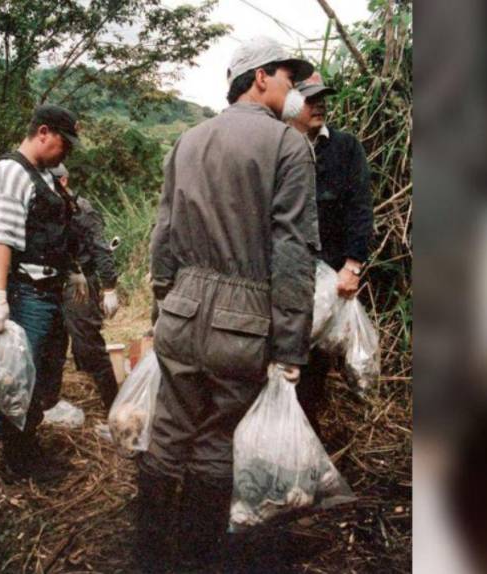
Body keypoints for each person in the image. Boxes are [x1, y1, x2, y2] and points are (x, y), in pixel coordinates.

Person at [138, 36, 318, 571]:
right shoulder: (289, 146)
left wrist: (163, 309)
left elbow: (162, 235)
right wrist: (290, 346)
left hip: (182, 307)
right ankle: (195, 561)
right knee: (218, 444)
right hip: (242, 320)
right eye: (289, 77)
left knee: (167, 434)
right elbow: (292, 253)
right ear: (259, 77)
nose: (295, 89)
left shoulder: (187, 141)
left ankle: (149, 557)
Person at [0, 104, 86, 480]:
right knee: (18, 377)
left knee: (42, 372)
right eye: (64, 143)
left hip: (48, 289)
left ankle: (29, 446)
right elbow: (0, 239)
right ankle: (17, 459)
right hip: (25, 292)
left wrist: (71, 273)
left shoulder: (43, 177)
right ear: (43, 132)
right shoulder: (12, 173)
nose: (67, 153)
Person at [286, 72, 373, 434]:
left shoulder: (344, 148)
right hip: (286, 275)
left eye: (323, 97)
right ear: (291, 104)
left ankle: (308, 438)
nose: (320, 104)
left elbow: (360, 208)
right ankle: (279, 436)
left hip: (330, 278)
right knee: (283, 357)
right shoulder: (277, 145)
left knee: (316, 363)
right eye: (310, 98)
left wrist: (352, 266)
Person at [51, 164, 121, 413]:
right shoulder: (44, 207)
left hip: (80, 281)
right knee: (53, 345)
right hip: (53, 281)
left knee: (88, 346)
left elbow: (101, 249)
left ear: (65, 180)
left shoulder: (83, 209)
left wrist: (109, 286)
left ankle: (113, 406)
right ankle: (51, 402)